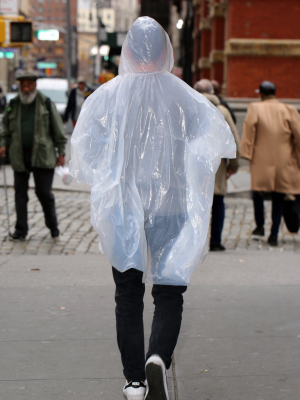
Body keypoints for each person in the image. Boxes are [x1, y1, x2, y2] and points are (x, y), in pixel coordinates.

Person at [70, 17, 236, 400]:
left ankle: (134, 381)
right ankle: (158, 356)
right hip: (172, 205)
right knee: (169, 290)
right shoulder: (185, 96)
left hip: (123, 209)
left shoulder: (106, 96)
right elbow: (214, 141)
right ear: (165, 51)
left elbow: (85, 151)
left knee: (127, 293)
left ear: (128, 49)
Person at [0, 70, 67, 240]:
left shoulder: (45, 103)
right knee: (20, 193)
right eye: (24, 85)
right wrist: (3, 145)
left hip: (43, 155)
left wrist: (61, 153)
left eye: (30, 84)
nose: (26, 88)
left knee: (43, 192)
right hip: (19, 155)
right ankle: (20, 230)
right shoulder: (14, 104)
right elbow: (5, 128)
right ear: (20, 87)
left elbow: (58, 130)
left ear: (35, 85)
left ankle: (53, 226)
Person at [241, 80, 300, 246]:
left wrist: (246, 152)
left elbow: (249, 129)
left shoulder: (255, 108)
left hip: (261, 160)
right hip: (284, 160)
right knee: (279, 196)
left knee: (258, 192)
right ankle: (274, 234)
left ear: (261, 94)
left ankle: (260, 226)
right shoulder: (289, 109)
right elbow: (298, 135)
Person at [194, 79, 240, 251]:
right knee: (218, 202)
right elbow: (234, 140)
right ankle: (215, 241)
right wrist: (233, 165)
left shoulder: (189, 109)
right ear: (213, 92)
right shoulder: (222, 112)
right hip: (217, 164)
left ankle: (196, 242)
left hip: (194, 164)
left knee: (196, 203)